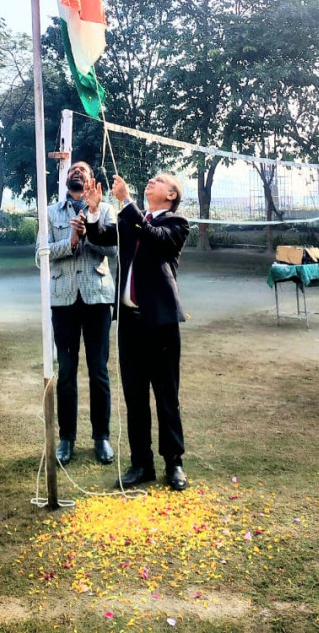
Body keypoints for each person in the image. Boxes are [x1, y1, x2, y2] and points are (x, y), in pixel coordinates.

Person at [84, 171, 190, 491]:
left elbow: (155, 237)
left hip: (161, 322)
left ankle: (174, 463)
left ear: (171, 195)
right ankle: (141, 463)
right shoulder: (134, 219)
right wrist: (93, 210)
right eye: (151, 179)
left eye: (159, 181)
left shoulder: (177, 223)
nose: (151, 182)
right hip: (130, 323)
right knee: (135, 396)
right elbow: (102, 237)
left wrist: (126, 201)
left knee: (166, 396)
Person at [39, 161, 117, 466]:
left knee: (98, 371)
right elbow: (41, 254)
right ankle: (66, 439)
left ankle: (101, 438)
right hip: (64, 300)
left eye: (83, 170)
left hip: (97, 298)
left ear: (91, 180)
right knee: (67, 372)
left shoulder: (106, 210)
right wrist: (71, 241)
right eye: (73, 170)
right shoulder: (50, 212)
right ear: (66, 179)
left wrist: (91, 228)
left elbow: (114, 250)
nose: (76, 172)